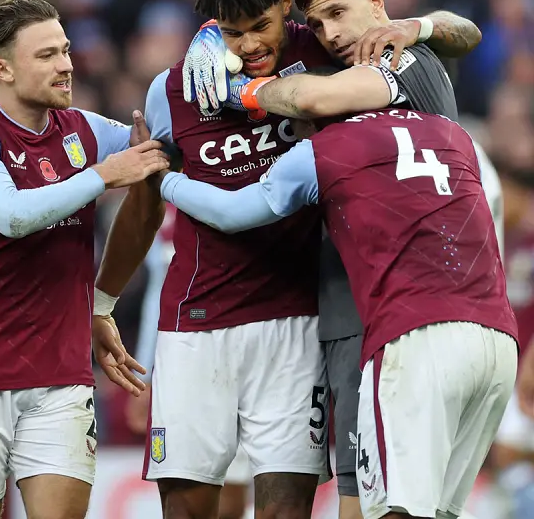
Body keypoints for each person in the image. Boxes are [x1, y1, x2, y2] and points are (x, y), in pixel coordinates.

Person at [94, 0, 482, 519]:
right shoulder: (172, 90)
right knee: (188, 508)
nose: (251, 45)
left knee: (286, 509)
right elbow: (146, 203)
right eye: (232, 32)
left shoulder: (328, 52)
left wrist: (415, 25)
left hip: (298, 321)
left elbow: (457, 37)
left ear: (285, 6)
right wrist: (102, 301)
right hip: (197, 321)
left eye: (261, 26)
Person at [158, 105, 518, 519]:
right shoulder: (454, 134)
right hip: (495, 337)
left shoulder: (329, 146)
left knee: (390, 510)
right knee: (437, 513)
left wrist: (164, 180)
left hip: (413, 334)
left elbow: (232, 212)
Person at [0, 0, 169, 519]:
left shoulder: (83, 130)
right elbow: (12, 216)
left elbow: (161, 146)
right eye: (46, 55)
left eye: (65, 50)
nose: (65, 65)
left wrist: (99, 304)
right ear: (3, 69)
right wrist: (104, 175)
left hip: (62, 373)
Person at [124, 205, 251, 519]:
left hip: (249, 344)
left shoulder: (252, 186)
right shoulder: (164, 206)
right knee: (183, 489)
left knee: (233, 498)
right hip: (185, 351)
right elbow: (159, 290)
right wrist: (145, 372)